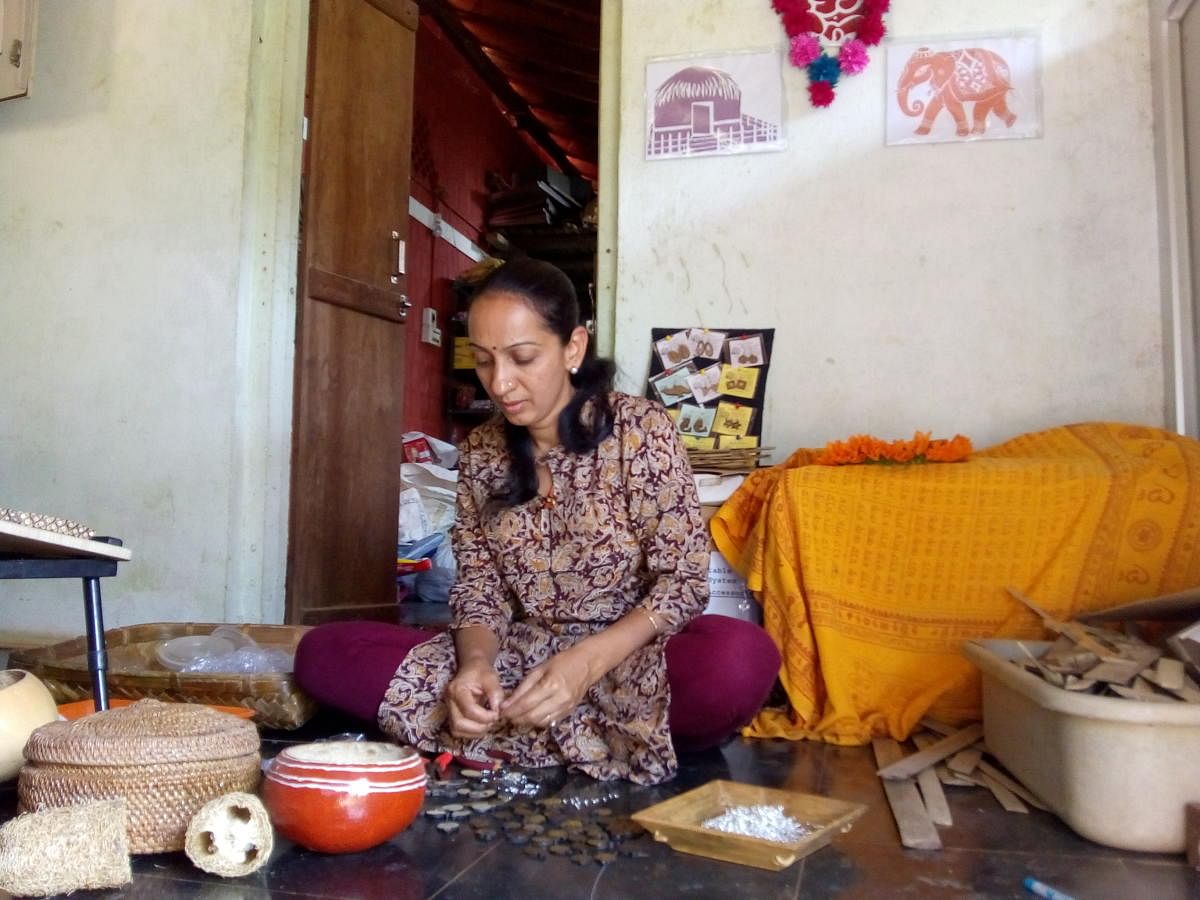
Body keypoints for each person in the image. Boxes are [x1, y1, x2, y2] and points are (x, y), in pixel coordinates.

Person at [294, 257, 780, 785]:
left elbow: (682, 584)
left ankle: (536, 732)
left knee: (739, 660)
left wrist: (585, 665)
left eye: (523, 357)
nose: (501, 383)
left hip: (629, 660)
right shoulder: (482, 451)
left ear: (573, 348)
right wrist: (475, 666)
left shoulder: (640, 431)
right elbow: (480, 588)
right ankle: (584, 735)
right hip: (521, 668)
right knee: (324, 652)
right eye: (483, 361)